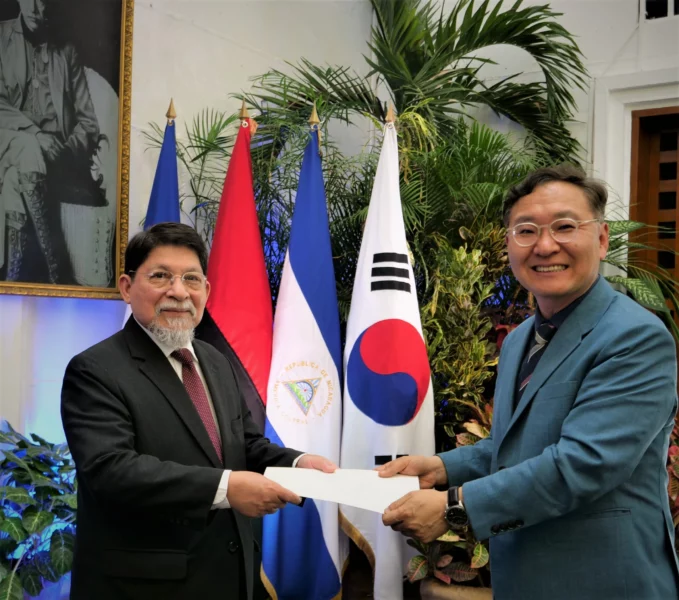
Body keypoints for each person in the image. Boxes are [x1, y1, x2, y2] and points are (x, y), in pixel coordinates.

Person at [379, 165, 679, 599]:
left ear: (601, 238)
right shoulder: (520, 339)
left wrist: (455, 506)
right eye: (526, 230)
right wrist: (441, 468)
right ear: (509, 244)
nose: (545, 245)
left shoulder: (635, 337)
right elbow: (515, 445)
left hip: (605, 581)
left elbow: (585, 463)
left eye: (565, 226)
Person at [61, 223, 335, 600]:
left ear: (205, 290)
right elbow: (111, 471)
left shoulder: (214, 361)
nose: (178, 291)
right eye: (160, 276)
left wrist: (297, 462)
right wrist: (226, 488)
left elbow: (244, 444)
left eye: (191, 279)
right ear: (126, 287)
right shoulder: (95, 369)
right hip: (145, 588)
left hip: (231, 577)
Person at [0, 0, 102, 283]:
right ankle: (59, 273)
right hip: (6, 138)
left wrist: (64, 151)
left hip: (51, 157)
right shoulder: (1, 37)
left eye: (42, 1)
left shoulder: (66, 50)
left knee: (14, 180)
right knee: (28, 147)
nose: (35, 8)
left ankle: (11, 282)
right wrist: (36, 134)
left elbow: (88, 124)